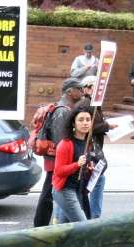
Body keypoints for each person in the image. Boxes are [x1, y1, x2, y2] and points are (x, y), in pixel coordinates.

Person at [33, 78, 84, 227]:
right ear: (70, 91)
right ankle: (39, 227)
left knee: (51, 193)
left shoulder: (64, 109)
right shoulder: (62, 111)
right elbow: (61, 140)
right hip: (56, 160)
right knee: (48, 194)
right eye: (79, 89)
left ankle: (48, 226)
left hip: (56, 160)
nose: (81, 92)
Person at [78, 75, 113, 219]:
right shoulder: (87, 104)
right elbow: (89, 126)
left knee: (98, 179)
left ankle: (91, 214)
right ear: (86, 89)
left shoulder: (95, 103)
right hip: (89, 149)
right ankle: (93, 215)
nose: (99, 91)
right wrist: (107, 126)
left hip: (94, 148)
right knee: (96, 180)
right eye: (94, 87)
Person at [52, 107, 94, 224]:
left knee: (65, 230)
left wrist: (88, 168)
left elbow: (83, 166)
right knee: (83, 226)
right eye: (81, 120)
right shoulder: (65, 144)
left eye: (88, 119)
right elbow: (59, 171)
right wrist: (77, 164)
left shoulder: (87, 142)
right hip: (65, 190)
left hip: (77, 189)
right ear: (73, 123)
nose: (85, 123)